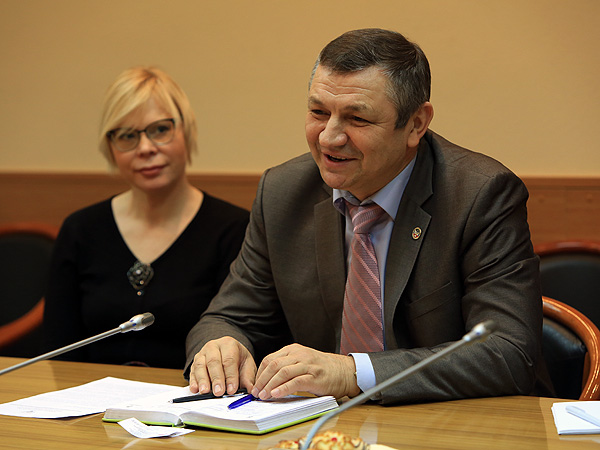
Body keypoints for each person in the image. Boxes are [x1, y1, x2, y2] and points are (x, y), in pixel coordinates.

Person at [185, 29, 553, 404]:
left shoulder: (479, 195)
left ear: (416, 124)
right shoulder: (283, 192)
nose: (328, 138)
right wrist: (220, 346)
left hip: (457, 421)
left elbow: (508, 352)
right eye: (318, 113)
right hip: (324, 425)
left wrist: (353, 373)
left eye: (357, 118)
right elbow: (227, 318)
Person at [43, 67, 249, 369]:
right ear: (110, 147)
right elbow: (59, 351)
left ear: (187, 131)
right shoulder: (80, 230)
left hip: (192, 395)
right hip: (88, 396)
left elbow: (241, 338)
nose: (145, 148)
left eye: (160, 130)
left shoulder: (234, 229)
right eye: (127, 136)